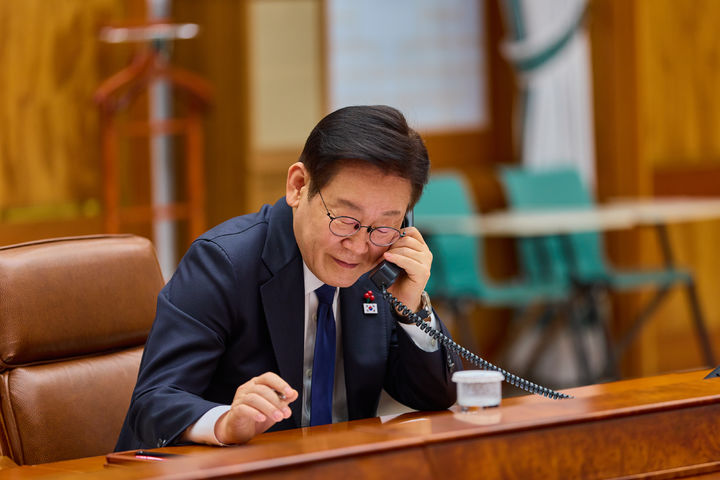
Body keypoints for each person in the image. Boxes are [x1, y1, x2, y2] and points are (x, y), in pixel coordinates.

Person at [116, 105, 462, 450]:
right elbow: (154, 401)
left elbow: (435, 396)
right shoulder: (224, 262)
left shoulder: (380, 268)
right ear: (298, 186)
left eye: (385, 225)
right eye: (345, 220)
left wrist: (411, 310)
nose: (358, 247)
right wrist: (225, 422)